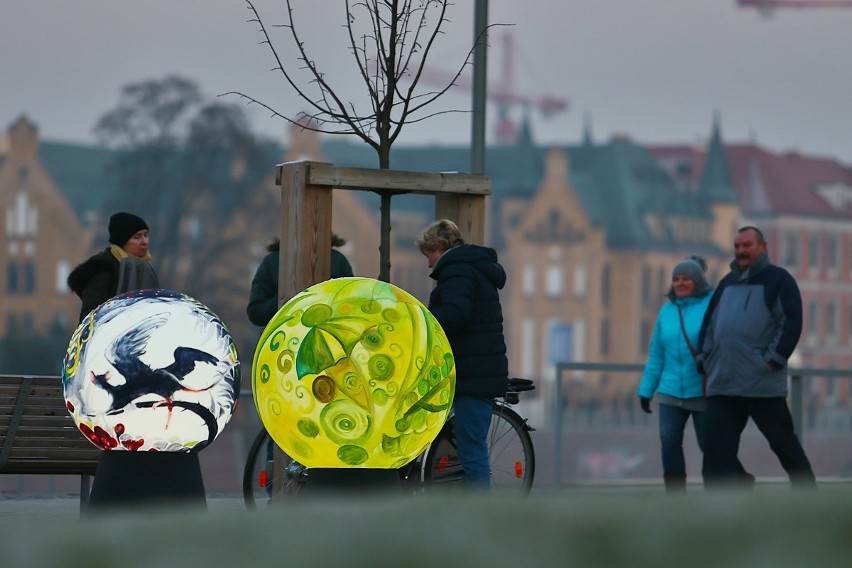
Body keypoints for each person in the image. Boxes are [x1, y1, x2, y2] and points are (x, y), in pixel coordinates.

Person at [697, 226, 816, 489]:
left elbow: (791, 323)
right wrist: (704, 360)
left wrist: (772, 360)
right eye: (737, 246)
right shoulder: (726, 283)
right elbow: (710, 325)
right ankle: (720, 506)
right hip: (724, 384)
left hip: (760, 383)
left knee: (784, 445)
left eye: (746, 245)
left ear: (762, 247)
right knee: (714, 449)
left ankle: (808, 494)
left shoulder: (779, 280)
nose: (740, 251)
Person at [415, 219, 509, 490]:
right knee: (469, 444)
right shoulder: (472, 268)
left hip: (472, 372)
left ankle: (479, 513)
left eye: (429, 254)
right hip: (476, 367)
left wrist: (424, 319)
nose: (428, 263)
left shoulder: (457, 270)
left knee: (471, 450)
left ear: (441, 246)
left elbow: (457, 314)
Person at [637, 257, 714, 492]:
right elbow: (657, 354)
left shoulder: (712, 305)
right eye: (676, 279)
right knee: (669, 442)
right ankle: (675, 496)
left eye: (686, 279)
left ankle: (725, 485)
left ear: (697, 281)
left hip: (702, 389)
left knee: (710, 446)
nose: (680, 283)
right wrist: (646, 390)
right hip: (670, 390)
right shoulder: (667, 311)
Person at [67, 211, 158, 322]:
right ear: (122, 240)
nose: (144, 242)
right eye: (137, 237)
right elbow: (93, 317)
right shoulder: (102, 269)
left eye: (146, 235)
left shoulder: (145, 268)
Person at [246, 233, 354, 327]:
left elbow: (351, 308)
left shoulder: (338, 261)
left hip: (327, 339)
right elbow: (256, 313)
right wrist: (286, 299)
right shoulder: (273, 262)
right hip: (284, 340)